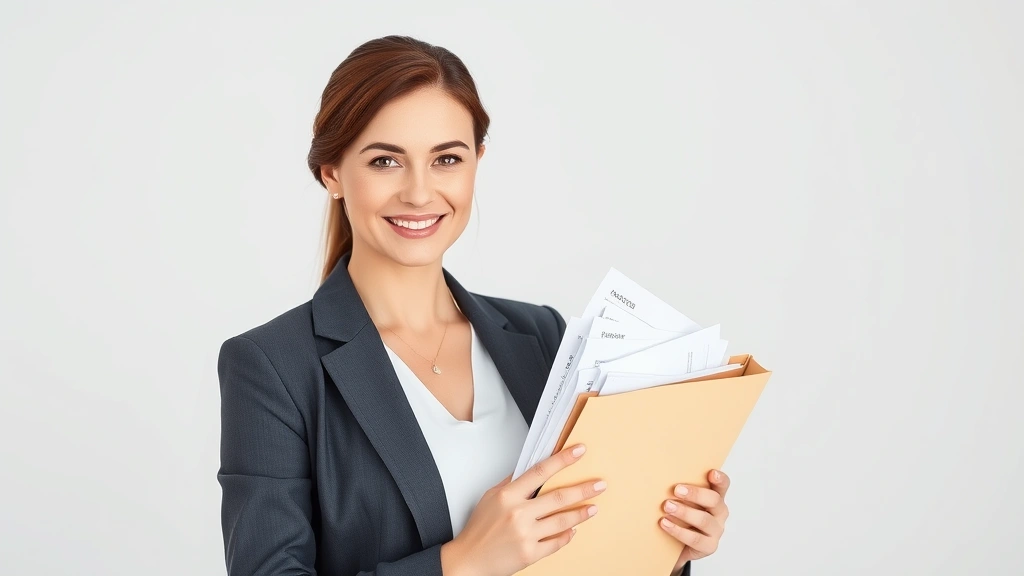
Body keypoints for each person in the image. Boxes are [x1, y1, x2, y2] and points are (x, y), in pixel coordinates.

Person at [216, 35, 732, 576]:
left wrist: (665, 543)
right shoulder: (272, 367)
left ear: (476, 162)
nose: (419, 193)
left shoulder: (542, 335)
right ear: (333, 173)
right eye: (386, 160)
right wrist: (461, 564)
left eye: (446, 159)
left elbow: (587, 543)